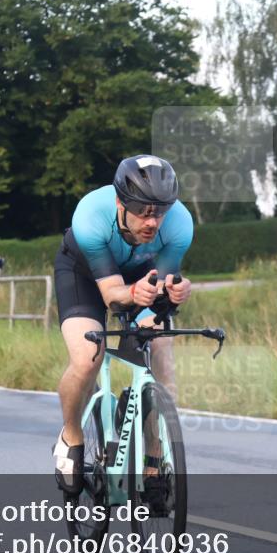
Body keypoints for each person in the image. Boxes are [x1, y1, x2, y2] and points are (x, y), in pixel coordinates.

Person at [52, 154, 193, 495]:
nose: (152, 221)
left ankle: (155, 459)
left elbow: (162, 284)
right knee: (88, 356)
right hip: (84, 275)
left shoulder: (180, 224)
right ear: (120, 202)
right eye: (144, 211)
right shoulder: (90, 215)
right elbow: (113, 297)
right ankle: (71, 435)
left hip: (138, 276)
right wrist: (132, 292)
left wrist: (174, 290)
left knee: (160, 347)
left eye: (160, 211)